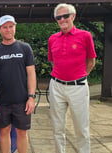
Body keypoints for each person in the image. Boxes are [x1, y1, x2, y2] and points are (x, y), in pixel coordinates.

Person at [48, 3, 96, 153]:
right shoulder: (52, 39)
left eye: (65, 16)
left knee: (81, 128)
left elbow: (91, 61)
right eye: (58, 17)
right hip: (56, 86)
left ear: (73, 16)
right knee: (57, 127)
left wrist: (79, 76)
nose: (62, 19)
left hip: (78, 87)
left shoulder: (85, 36)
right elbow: (52, 61)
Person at [0, 15, 36, 153]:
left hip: (22, 100)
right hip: (2, 101)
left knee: (22, 132)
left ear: (15, 27)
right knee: (4, 132)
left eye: (10, 26)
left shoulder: (25, 48)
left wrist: (31, 97)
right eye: (5, 27)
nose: (8, 30)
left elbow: (31, 74)